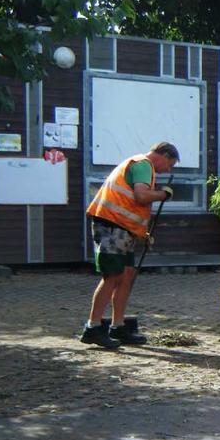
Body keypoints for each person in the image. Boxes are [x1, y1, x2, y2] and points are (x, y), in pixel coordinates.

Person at [80, 142, 179, 348]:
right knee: (113, 275)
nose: (167, 170)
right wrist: (164, 194)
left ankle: (118, 326)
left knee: (126, 275)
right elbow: (141, 196)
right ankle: (93, 328)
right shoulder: (143, 165)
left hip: (122, 228)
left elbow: (132, 205)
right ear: (164, 155)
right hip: (112, 225)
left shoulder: (140, 166)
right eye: (170, 164)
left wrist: (142, 233)